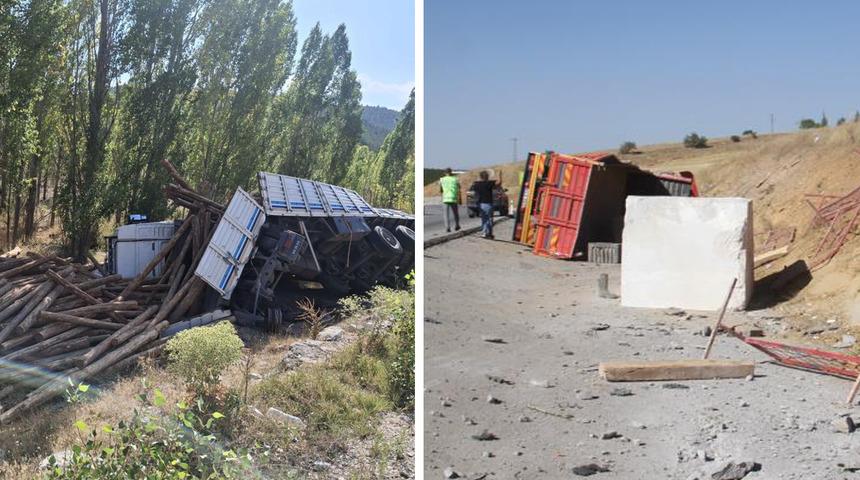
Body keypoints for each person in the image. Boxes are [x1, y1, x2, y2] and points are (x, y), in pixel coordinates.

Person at [470, 171, 496, 239]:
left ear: (480, 177)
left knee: (484, 219)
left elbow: (474, 193)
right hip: (489, 203)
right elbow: (499, 183)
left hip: (481, 204)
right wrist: (500, 175)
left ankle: (484, 232)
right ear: (487, 177)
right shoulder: (490, 183)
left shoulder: (477, 184)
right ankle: (489, 233)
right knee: (489, 219)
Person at [439, 168, 461, 232]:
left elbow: (440, 190)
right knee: (455, 213)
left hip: (445, 198)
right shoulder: (455, 179)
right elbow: (459, 187)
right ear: (451, 172)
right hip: (453, 198)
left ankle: (447, 227)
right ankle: (457, 225)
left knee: (446, 214)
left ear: (445, 173)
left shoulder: (442, 179)